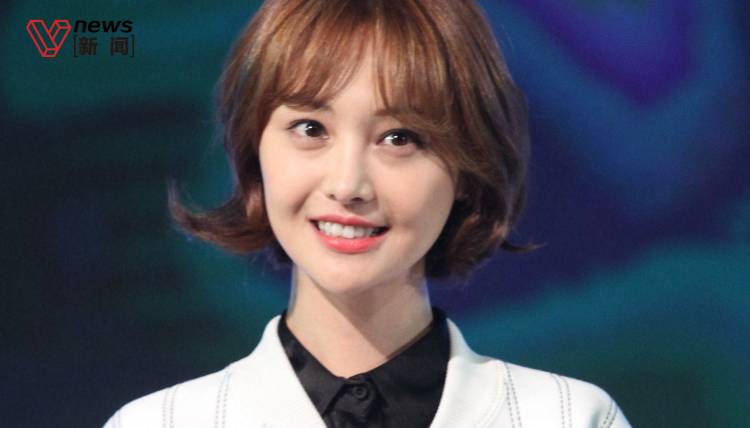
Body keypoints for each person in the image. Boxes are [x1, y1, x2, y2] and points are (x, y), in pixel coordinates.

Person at [104, 0, 631, 426]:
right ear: (253, 151)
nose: (348, 185)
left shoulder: (569, 418)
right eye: (311, 129)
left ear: (466, 169)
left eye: (399, 138)